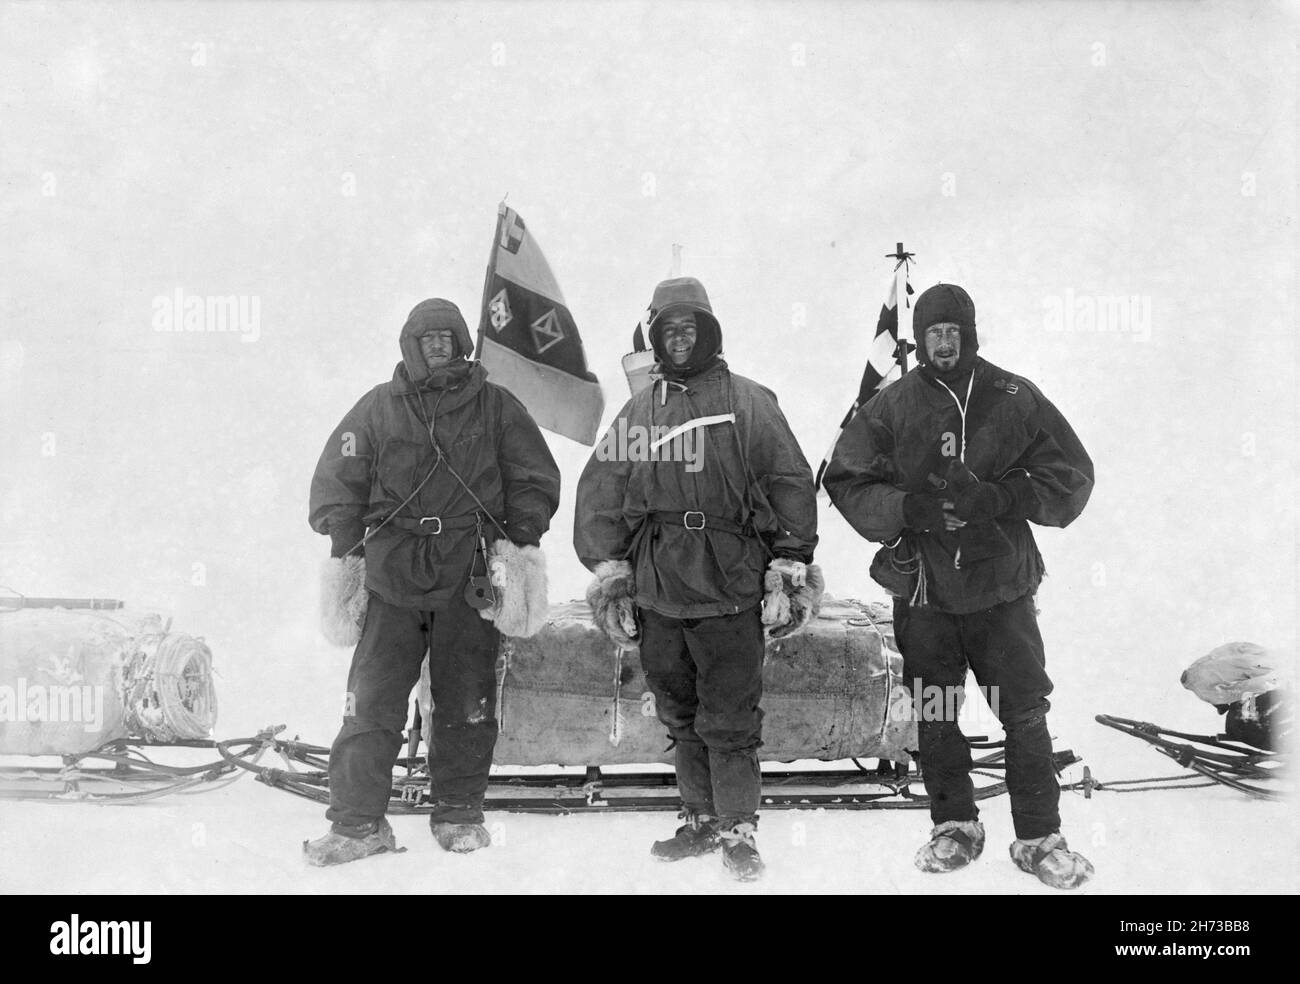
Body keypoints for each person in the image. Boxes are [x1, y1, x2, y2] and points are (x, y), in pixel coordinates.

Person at [824, 282, 1096, 889]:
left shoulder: (1013, 395)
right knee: (938, 711)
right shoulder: (892, 404)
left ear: (969, 335)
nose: (943, 344)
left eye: (953, 333)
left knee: (1023, 713)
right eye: (932, 335)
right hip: (925, 587)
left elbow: (1071, 475)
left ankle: (1038, 838)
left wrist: (1003, 495)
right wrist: (907, 508)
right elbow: (846, 479)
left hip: (1001, 585)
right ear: (918, 341)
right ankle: (955, 826)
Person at [575, 277, 820, 882]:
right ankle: (700, 818)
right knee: (680, 713)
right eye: (669, 330)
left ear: (707, 331)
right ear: (655, 337)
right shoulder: (641, 409)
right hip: (660, 584)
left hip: (730, 580)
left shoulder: (749, 400)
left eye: (690, 328)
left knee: (731, 716)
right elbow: (602, 490)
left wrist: (788, 565)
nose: (679, 340)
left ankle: (738, 826)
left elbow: (789, 480)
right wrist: (611, 575)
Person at [305, 298, 560, 865]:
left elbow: (533, 475)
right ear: (410, 345)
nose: (438, 345)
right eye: (428, 338)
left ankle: (459, 812)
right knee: (369, 704)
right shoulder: (377, 408)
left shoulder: (495, 405)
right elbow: (337, 480)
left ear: (462, 343)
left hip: (467, 575)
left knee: (466, 702)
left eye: (448, 337)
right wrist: (344, 543)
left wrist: (519, 538)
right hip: (391, 576)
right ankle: (356, 824)